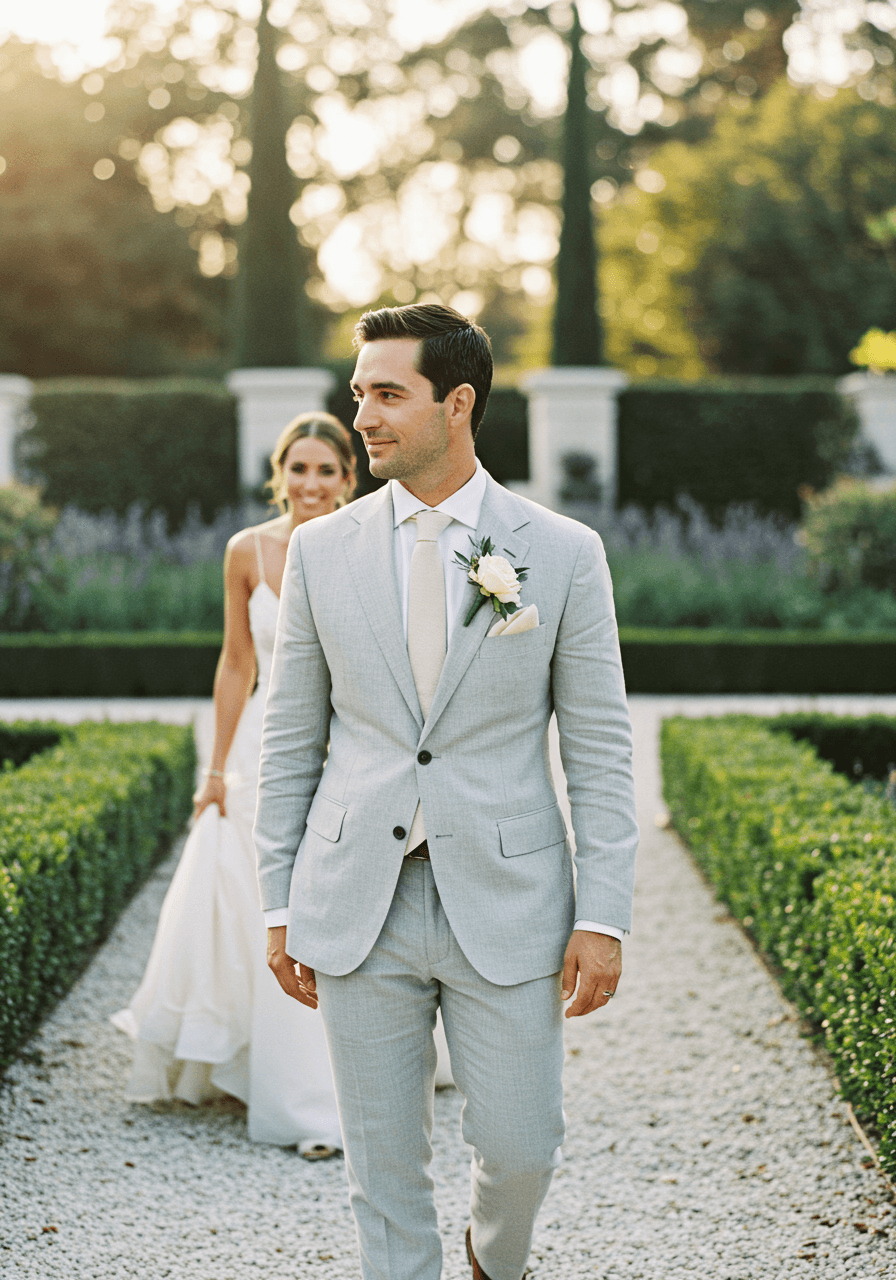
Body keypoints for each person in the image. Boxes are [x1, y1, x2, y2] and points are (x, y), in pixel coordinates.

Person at [254, 304, 639, 1279]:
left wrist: (604, 913)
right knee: (381, 1166)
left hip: (507, 898)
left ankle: (489, 1257)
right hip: (357, 896)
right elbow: (290, 738)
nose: (363, 416)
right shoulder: (321, 551)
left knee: (520, 1151)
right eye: (357, 394)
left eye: (388, 393)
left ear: (456, 402)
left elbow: (598, 750)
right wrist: (276, 898)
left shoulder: (561, 552)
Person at [111, 412, 354, 1157]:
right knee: (260, 905)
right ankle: (258, 1064)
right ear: (278, 475)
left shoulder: (367, 545)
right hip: (262, 749)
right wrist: (214, 770)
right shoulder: (246, 551)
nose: (310, 484)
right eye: (298, 469)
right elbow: (235, 663)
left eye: (326, 470)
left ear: (350, 477)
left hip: (345, 750)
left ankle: (329, 1086)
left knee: (333, 904)